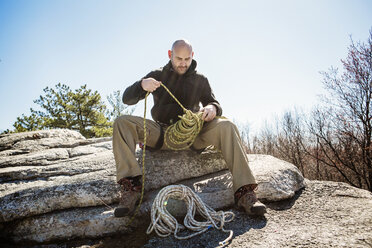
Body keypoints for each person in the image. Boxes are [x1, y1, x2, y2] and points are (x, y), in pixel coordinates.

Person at [112, 39, 266, 218]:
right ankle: (132, 188)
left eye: (187, 59)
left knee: (227, 125)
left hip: (194, 135)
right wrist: (141, 85)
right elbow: (126, 99)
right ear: (170, 55)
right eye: (179, 58)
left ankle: (245, 193)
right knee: (122, 122)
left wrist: (212, 108)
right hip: (162, 134)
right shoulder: (156, 75)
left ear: (192, 56)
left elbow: (213, 102)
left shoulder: (200, 79)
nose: (183, 63)